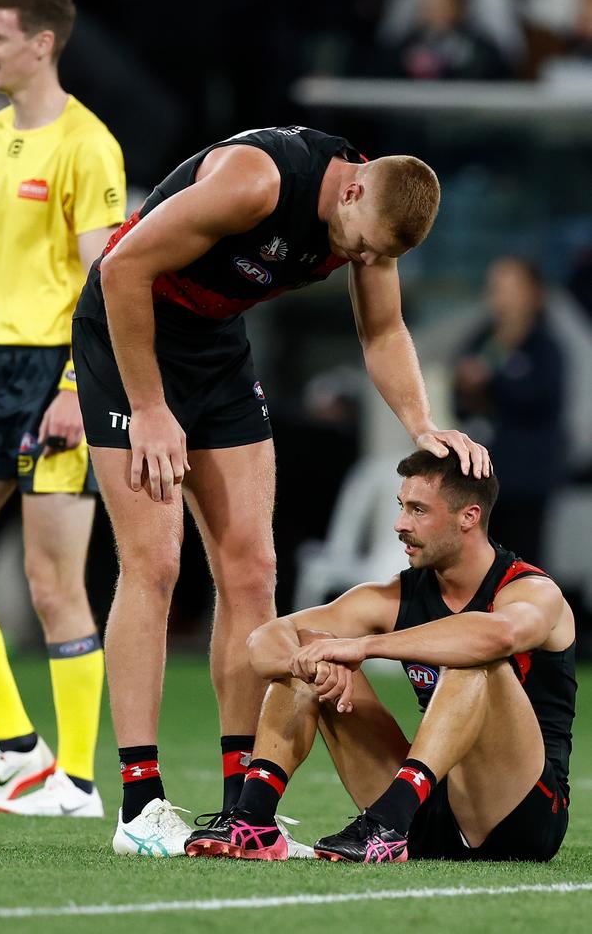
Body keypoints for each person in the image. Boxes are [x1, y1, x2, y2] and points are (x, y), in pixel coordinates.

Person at [72, 124, 490, 857]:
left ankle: (244, 809)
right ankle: (140, 805)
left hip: (215, 342)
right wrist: (148, 409)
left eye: (376, 256)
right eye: (363, 247)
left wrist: (424, 424)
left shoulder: (372, 217)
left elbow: (383, 330)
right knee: (156, 564)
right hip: (127, 339)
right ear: (351, 188)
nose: (361, 261)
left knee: (253, 568)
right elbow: (120, 268)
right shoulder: (258, 180)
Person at [185, 448, 575, 862]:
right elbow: (264, 641)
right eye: (401, 507)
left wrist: (363, 646)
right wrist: (313, 662)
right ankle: (253, 821)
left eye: (418, 510)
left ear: (469, 517)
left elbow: (497, 635)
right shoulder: (397, 594)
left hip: (521, 817)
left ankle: (386, 823)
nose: (400, 524)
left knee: (474, 661)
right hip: (425, 807)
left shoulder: (534, 591)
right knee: (312, 645)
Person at [0, 0, 126, 817]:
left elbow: (103, 282)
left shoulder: (89, 145)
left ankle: (79, 783)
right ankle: (19, 750)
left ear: (42, 43)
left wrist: (73, 390)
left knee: (54, 583)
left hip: (56, 372)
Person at [453, 255, 566, 566]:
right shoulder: (481, 339)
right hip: (481, 481)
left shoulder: (545, 347)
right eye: (495, 287)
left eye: (510, 287)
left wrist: (492, 383)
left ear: (533, 293)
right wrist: (468, 388)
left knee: (522, 565)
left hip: (527, 479)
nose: (500, 296)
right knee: (479, 567)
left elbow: (538, 399)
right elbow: (460, 402)